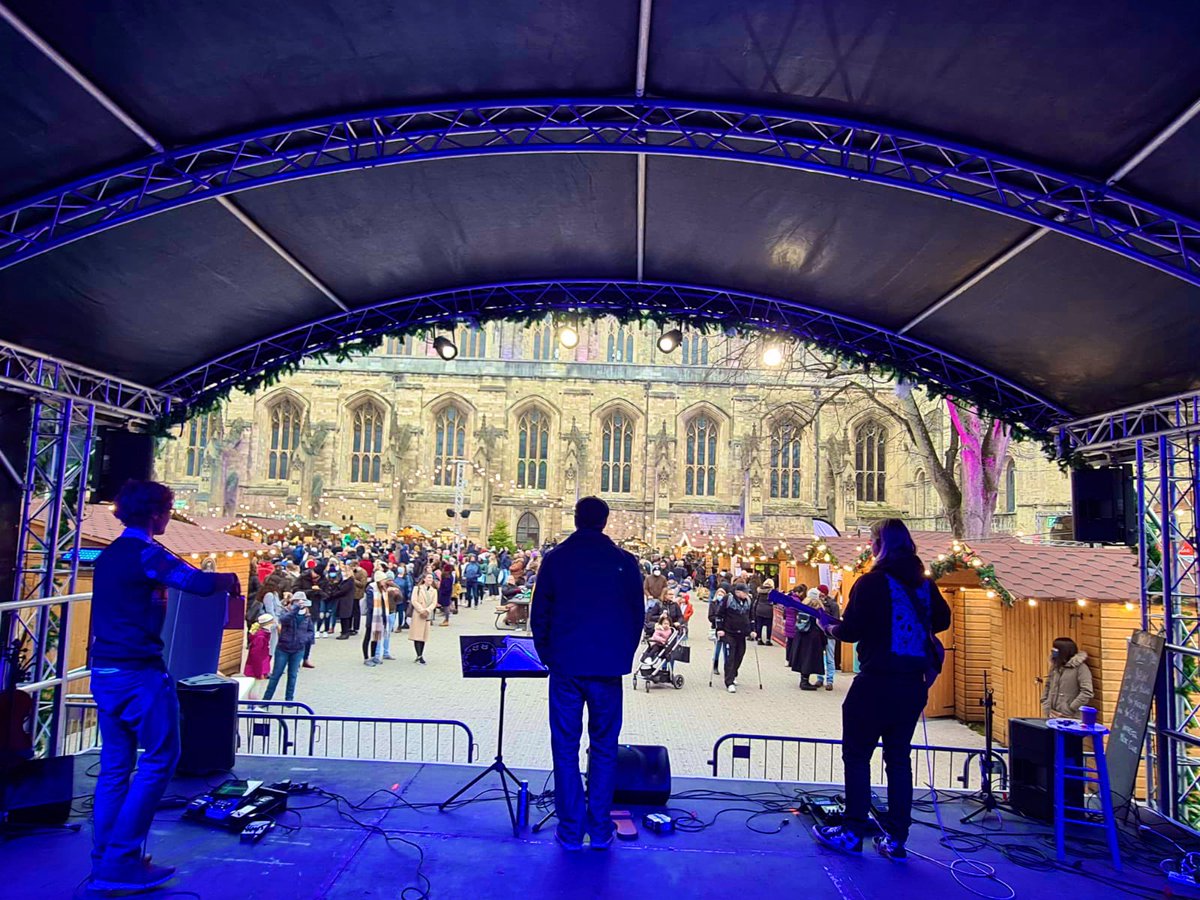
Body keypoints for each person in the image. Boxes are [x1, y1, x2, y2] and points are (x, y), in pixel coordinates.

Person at [88, 480, 241, 892]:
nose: (169, 516)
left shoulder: (109, 555)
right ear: (156, 513)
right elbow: (197, 583)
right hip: (138, 673)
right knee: (160, 759)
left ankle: (105, 858)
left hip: (105, 671)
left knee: (115, 768)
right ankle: (122, 862)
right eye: (168, 510)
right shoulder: (146, 554)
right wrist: (229, 579)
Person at [812, 518, 951, 861]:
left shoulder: (871, 582)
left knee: (857, 756)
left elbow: (850, 631)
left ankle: (852, 831)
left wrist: (829, 628)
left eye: (873, 540)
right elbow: (943, 620)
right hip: (912, 685)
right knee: (898, 759)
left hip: (876, 682)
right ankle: (896, 839)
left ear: (880, 545)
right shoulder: (924, 583)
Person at [530, 497, 643, 851]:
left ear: (576, 520)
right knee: (605, 748)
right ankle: (600, 830)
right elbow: (636, 616)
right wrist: (621, 656)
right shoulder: (624, 562)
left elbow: (539, 615)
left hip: (566, 667)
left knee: (565, 748)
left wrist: (549, 656)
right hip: (607, 669)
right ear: (605, 522)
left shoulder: (556, 560)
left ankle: (570, 832)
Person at [264, 594, 315, 702]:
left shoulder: (307, 615)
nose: (300, 603)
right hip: (283, 648)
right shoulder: (286, 612)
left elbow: (311, 631)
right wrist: (295, 610)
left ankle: (289, 700)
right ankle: (266, 700)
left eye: (302, 601)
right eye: (297, 601)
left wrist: (304, 639)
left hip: (298, 649)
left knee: (292, 676)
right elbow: (283, 620)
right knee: (276, 674)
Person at [713, 583, 753, 693]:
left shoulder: (748, 601)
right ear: (738, 592)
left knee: (740, 654)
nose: (747, 594)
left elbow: (751, 616)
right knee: (730, 657)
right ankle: (729, 682)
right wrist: (719, 629)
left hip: (742, 633)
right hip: (729, 632)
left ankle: (734, 674)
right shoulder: (728, 599)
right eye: (745, 592)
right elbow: (719, 614)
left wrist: (752, 630)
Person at [1041, 637, 1094, 718]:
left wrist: (1070, 708)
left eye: (1055, 649)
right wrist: (1045, 702)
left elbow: (1087, 692)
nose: (1052, 651)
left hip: (1070, 717)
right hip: (1051, 714)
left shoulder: (1081, 669)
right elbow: (1048, 684)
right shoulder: (1056, 666)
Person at [790, 589, 828, 690]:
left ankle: (803, 680)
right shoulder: (817, 608)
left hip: (801, 636)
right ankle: (805, 682)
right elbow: (821, 624)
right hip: (812, 637)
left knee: (803, 658)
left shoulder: (803, 606)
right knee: (809, 659)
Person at [244, 614, 275, 701]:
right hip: (257, 668)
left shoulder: (262, 635)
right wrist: (258, 672)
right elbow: (256, 656)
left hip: (258, 666)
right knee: (255, 687)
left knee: (256, 686)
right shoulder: (261, 637)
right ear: (267, 624)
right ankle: (252, 705)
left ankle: (252, 705)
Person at [408, 572, 437, 663]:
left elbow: (434, 603)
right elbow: (414, 600)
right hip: (418, 614)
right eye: (428, 578)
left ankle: (421, 654)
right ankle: (419, 655)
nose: (430, 580)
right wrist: (421, 610)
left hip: (427, 615)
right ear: (424, 579)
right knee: (417, 635)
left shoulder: (434, 590)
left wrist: (427, 610)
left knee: (424, 636)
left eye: (431, 578)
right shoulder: (417, 588)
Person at [819, 584, 840, 690]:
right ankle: (820, 678)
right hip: (819, 635)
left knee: (830, 658)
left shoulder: (833, 605)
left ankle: (830, 680)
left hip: (830, 635)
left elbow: (835, 621)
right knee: (819, 657)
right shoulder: (817, 604)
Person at [708, 584, 730, 676]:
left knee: (726, 650)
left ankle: (727, 667)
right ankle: (715, 666)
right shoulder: (713, 604)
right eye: (719, 594)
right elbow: (710, 616)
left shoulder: (727, 605)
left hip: (726, 629)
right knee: (717, 649)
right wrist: (717, 619)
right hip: (716, 629)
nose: (720, 596)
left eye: (722, 594)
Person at [753, 578, 775, 645]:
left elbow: (757, 600)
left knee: (759, 625)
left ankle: (759, 639)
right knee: (769, 626)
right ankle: (768, 640)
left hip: (759, 609)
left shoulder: (760, 590)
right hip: (768, 610)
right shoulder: (772, 592)